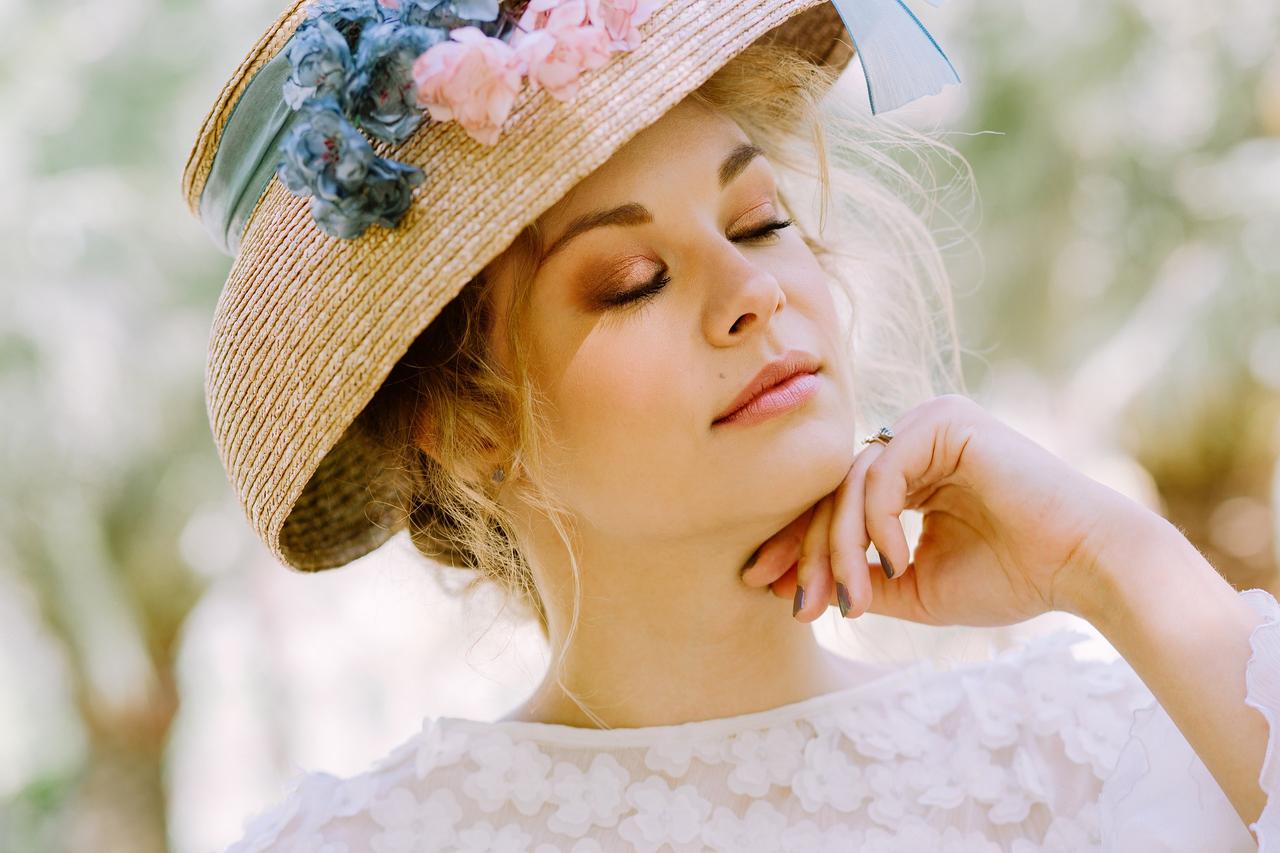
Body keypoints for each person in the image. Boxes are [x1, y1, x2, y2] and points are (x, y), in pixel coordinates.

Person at [183, 0, 1280, 849]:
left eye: (758, 221)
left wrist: (1105, 559)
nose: (752, 290)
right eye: (630, 279)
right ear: (467, 428)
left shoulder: (1085, 756)